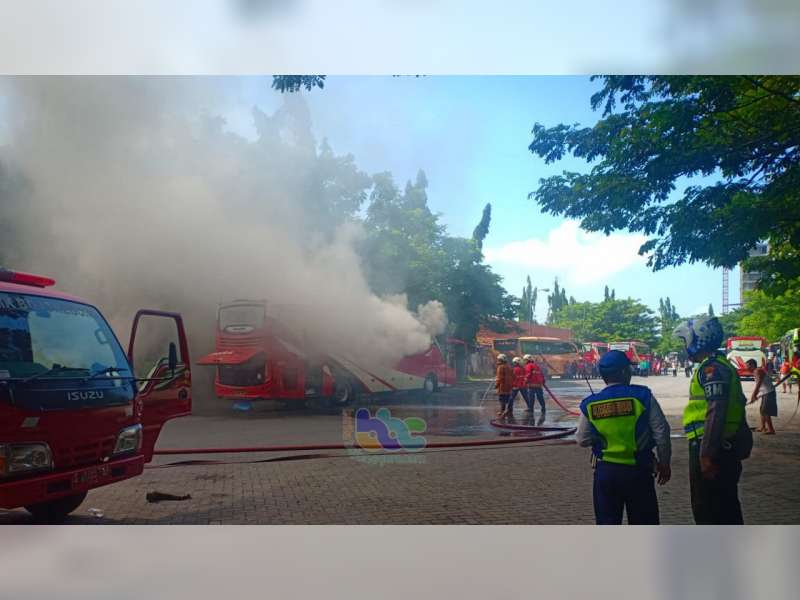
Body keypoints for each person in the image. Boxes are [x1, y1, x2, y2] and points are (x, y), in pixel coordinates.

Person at [576, 350, 671, 525]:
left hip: (606, 474)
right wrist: (664, 463)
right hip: (639, 472)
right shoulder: (643, 396)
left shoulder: (590, 403)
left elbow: (582, 439)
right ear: (624, 372)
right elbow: (662, 433)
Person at [673, 316, 752, 525]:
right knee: (723, 508)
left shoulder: (713, 369)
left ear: (698, 339)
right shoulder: (716, 365)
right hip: (722, 446)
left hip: (713, 447)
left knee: (709, 510)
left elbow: (716, 410)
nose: (684, 346)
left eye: (685, 341)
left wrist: (706, 454)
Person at [747, 358, 776, 435]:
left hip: (768, 392)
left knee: (765, 411)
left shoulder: (758, 371)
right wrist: (757, 395)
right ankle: (763, 427)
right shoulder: (756, 371)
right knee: (762, 410)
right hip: (765, 392)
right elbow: (762, 385)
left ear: (752, 365)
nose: (747, 368)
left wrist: (754, 395)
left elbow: (759, 383)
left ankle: (771, 429)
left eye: (748, 366)